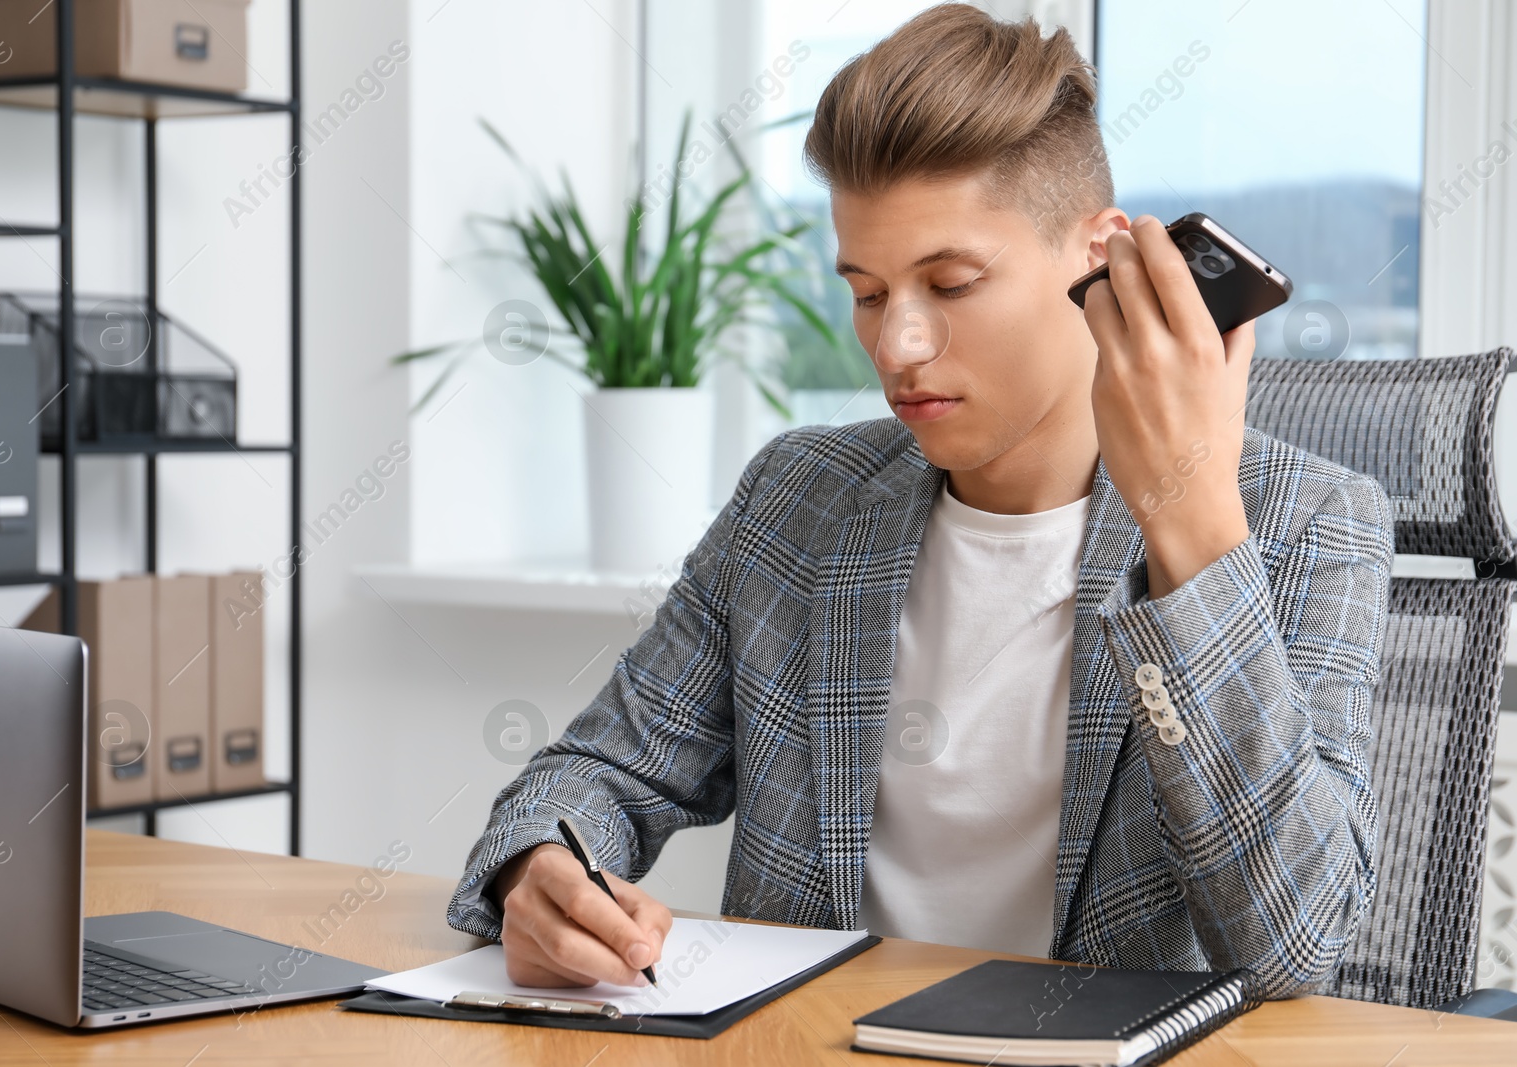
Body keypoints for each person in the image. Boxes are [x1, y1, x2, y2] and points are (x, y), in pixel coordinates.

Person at [445, 4, 1391, 999]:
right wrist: (540, 869)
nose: (895, 345)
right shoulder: (795, 500)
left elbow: (1295, 944)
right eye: (865, 289)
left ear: (1096, 257)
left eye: (950, 281)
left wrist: (1188, 522)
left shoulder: (1307, 522)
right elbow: (598, 772)